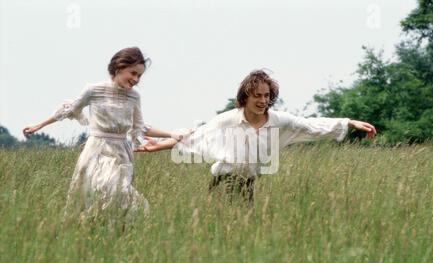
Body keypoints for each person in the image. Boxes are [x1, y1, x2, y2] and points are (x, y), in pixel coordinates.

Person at [137, 69, 377, 203]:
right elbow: (194, 136)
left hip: (248, 184)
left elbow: (311, 126)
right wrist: (156, 146)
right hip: (223, 182)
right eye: (257, 96)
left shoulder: (278, 121)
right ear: (245, 97)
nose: (262, 101)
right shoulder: (228, 119)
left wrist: (349, 122)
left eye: (266, 96)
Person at [23, 47, 181, 219]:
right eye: (133, 73)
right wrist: (38, 126)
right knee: (97, 192)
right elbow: (70, 109)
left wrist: (171, 135)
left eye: (139, 76)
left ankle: (108, 229)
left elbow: (141, 127)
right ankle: (86, 224)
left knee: (119, 195)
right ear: (119, 68)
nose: (136, 79)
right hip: (96, 151)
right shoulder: (93, 90)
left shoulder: (134, 97)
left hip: (121, 153)